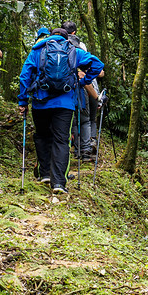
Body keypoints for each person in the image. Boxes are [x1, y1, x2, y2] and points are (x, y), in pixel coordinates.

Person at [18, 28, 104, 194]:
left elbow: (24, 75)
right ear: (67, 39)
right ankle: (58, 183)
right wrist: (83, 81)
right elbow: (98, 65)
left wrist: (23, 101)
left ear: (51, 37)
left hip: (40, 102)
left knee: (43, 136)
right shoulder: (74, 51)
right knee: (61, 140)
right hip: (65, 104)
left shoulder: (37, 50)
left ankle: (44, 174)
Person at [62, 21, 103, 161]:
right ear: (74, 33)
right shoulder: (79, 49)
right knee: (84, 119)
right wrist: (87, 82)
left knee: (71, 121)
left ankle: (74, 151)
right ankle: (85, 151)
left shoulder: (53, 48)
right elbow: (98, 68)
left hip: (60, 91)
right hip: (80, 89)